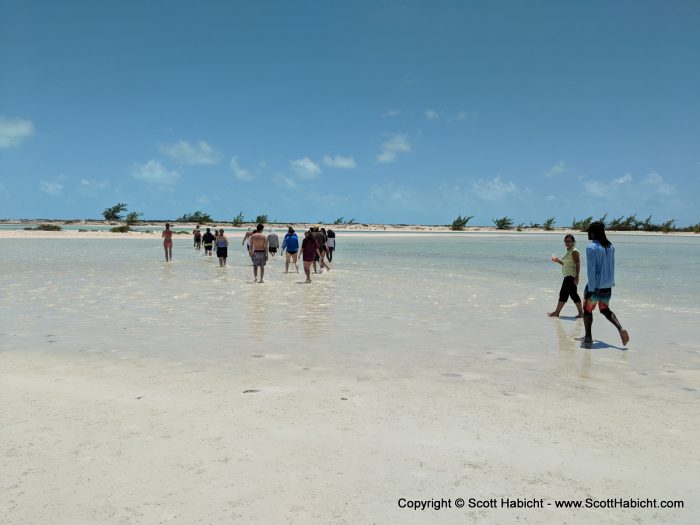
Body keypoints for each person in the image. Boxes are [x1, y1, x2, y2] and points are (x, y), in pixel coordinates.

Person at [579, 221, 630, 346]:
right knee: (604, 309)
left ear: (594, 232)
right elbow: (611, 267)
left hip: (595, 286)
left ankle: (588, 337)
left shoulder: (591, 247)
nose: (588, 234)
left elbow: (591, 270)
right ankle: (620, 328)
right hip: (608, 286)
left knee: (587, 310)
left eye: (589, 231)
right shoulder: (610, 247)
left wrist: (591, 289)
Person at [548, 234, 584, 318]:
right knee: (573, 295)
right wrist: (557, 261)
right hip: (568, 276)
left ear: (573, 242)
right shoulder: (568, 251)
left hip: (571, 276)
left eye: (569, 241)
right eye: (566, 241)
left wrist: (577, 277)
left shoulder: (574, 251)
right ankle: (581, 314)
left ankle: (556, 312)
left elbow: (578, 264)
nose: (567, 243)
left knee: (563, 293)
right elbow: (565, 264)